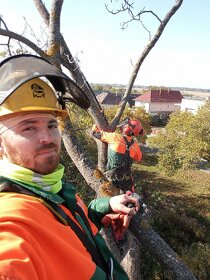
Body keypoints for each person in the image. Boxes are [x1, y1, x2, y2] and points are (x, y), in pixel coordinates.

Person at [0, 54, 140, 280]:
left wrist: (101, 207)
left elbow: (60, 224)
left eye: (51, 124)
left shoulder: (51, 187)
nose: (47, 137)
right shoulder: (11, 220)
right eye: (28, 128)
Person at [92, 118, 144, 193]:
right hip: (127, 179)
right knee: (128, 200)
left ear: (127, 128)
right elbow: (139, 158)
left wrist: (95, 124)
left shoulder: (114, 137)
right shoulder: (135, 145)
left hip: (111, 179)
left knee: (108, 198)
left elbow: (94, 133)